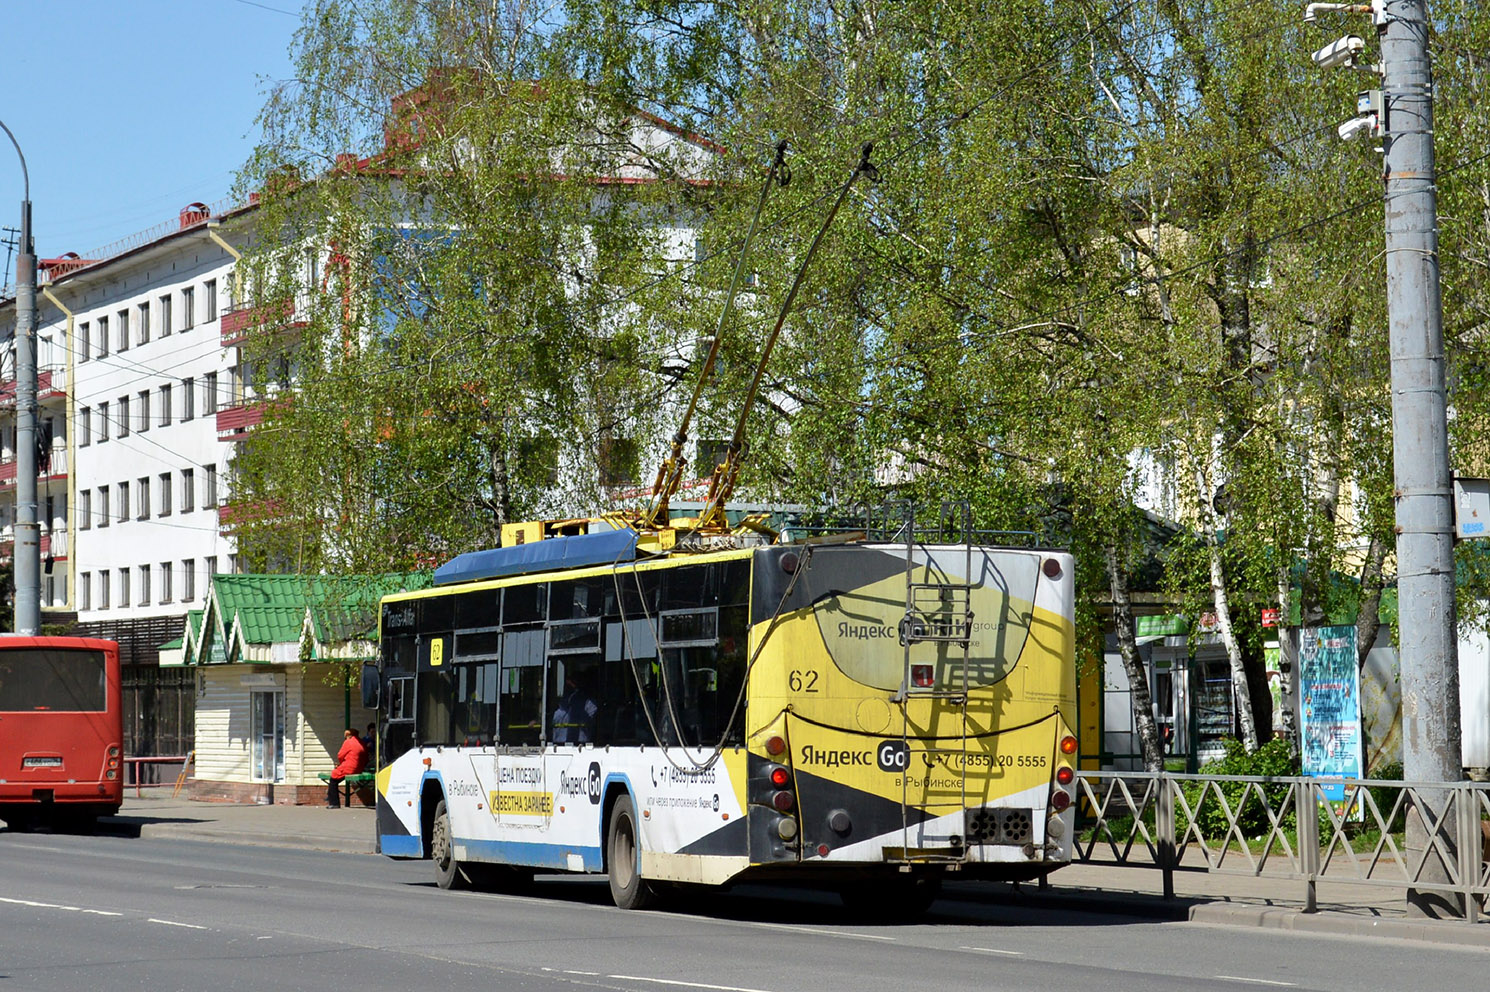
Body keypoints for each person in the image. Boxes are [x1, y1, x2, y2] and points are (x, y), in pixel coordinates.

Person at [551, 671, 598, 743]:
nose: (568, 684)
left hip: (579, 747)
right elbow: (553, 719)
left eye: (571, 682)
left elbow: (586, 722)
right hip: (556, 747)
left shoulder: (590, 704)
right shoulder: (563, 702)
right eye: (567, 682)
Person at [327, 728, 366, 809]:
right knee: (337, 775)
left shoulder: (348, 742)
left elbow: (340, 755)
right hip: (360, 768)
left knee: (333, 778)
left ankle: (334, 803)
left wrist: (341, 763)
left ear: (348, 735)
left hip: (350, 767)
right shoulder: (361, 742)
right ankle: (331, 799)